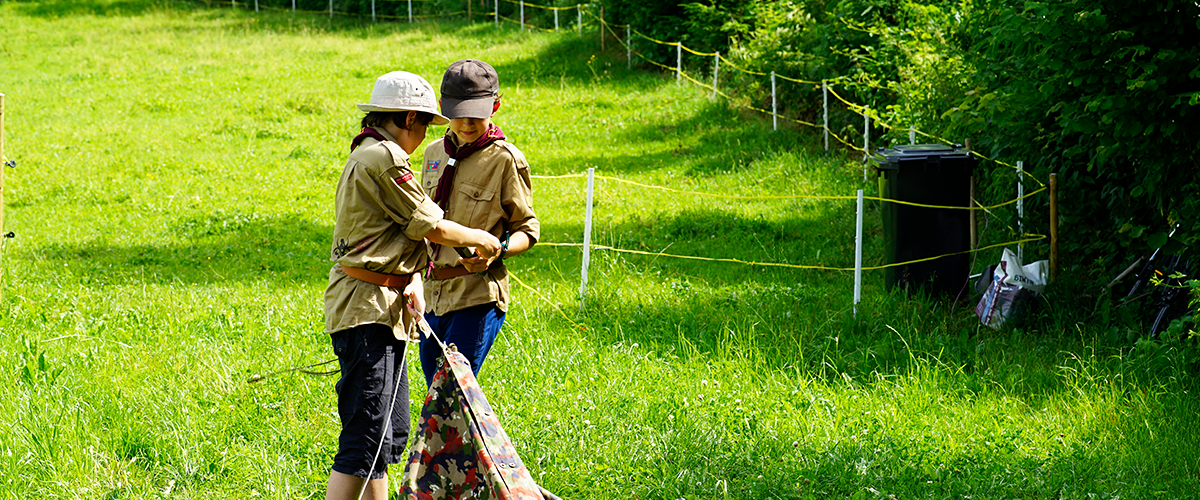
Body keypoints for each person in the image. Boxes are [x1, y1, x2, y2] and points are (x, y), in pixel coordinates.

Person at [323, 70, 501, 500]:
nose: (424, 135)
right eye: (423, 124)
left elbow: (395, 232)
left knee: (388, 434)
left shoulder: (366, 152)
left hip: (381, 306)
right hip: (368, 310)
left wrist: (412, 278)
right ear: (406, 118)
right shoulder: (385, 157)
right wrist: (483, 238)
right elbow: (431, 224)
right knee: (365, 441)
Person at [418, 59, 540, 385]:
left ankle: (485, 439)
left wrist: (497, 250)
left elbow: (527, 229)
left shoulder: (505, 159)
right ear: (442, 107)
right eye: (459, 114)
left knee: (455, 392)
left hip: (476, 295)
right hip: (432, 294)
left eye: (478, 113)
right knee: (437, 392)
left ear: (496, 106)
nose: (468, 123)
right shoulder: (432, 154)